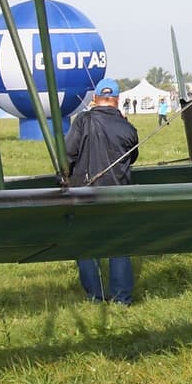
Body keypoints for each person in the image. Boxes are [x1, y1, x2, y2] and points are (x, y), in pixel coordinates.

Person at [65, 80, 139, 304]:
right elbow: (132, 157)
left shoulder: (82, 121)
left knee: (86, 245)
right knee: (120, 245)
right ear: (116, 100)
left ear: (95, 98)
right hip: (118, 193)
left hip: (85, 193)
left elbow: (68, 153)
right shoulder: (127, 127)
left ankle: (95, 296)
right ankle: (121, 298)